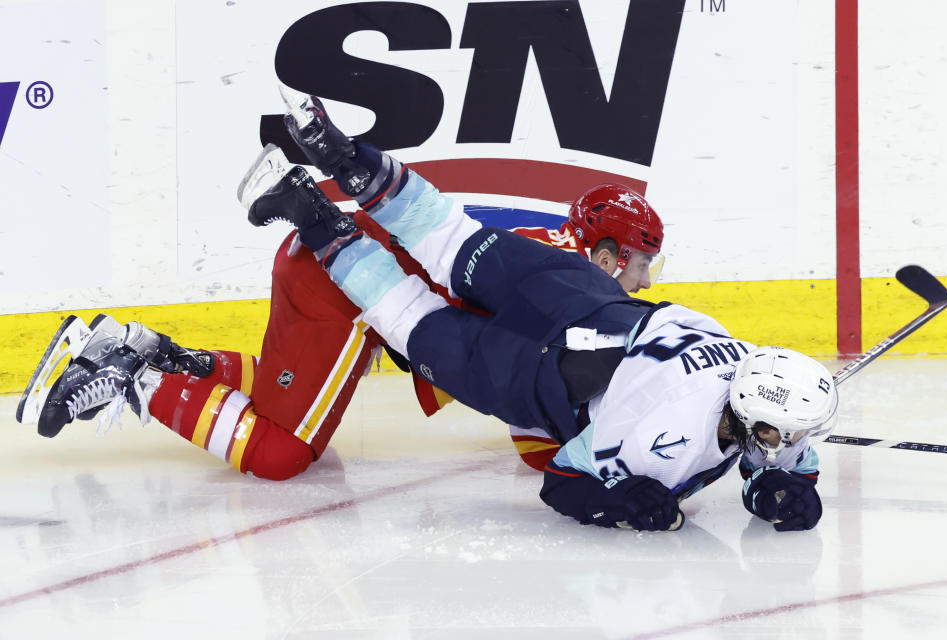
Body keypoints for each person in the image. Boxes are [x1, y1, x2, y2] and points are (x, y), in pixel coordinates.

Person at [16, 94, 666, 480]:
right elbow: (537, 435)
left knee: (286, 385)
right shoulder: (579, 300)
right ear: (607, 252)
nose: (643, 281)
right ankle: (135, 377)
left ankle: (149, 349)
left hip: (336, 266)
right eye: (641, 264)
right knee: (281, 452)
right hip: (348, 284)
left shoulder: (548, 254)